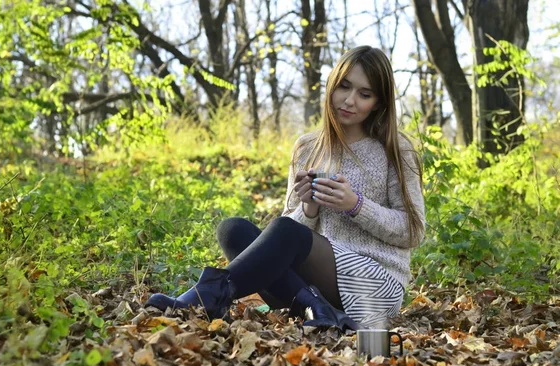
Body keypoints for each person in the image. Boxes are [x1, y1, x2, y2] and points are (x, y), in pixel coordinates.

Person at [145, 46, 425, 331]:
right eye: (344, 87)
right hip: (317, 280)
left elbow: (413, 231)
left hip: (374, 283)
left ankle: (206, 296)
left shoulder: (396, 149)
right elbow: (287, 229)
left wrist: (356, 205)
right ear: (332, 85)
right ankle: (316, 308)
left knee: (284, 232)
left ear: (378, 102)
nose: (349, 100)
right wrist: (308, 208)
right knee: (233, 230)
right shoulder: (307, 148)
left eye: (364, 94)